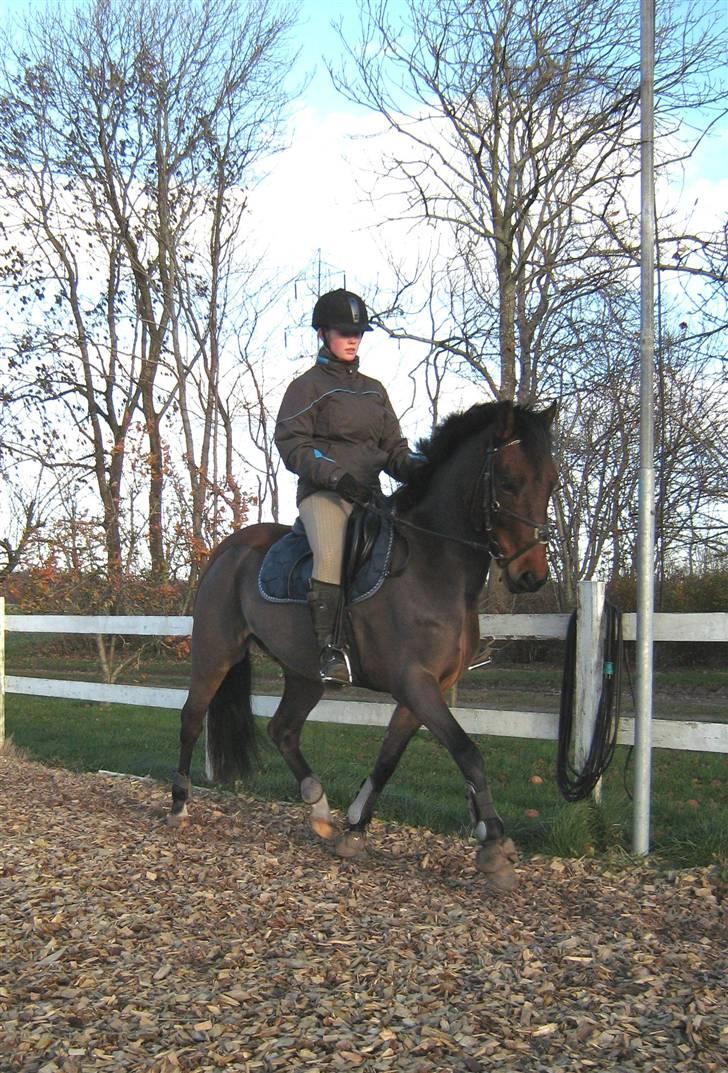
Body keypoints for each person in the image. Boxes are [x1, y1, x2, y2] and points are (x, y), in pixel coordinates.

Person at [274, 288, 424, 684]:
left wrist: (418, 468)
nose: (353, 339)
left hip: (371, 497)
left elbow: (394, 448)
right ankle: (329, 651)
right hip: (325, 495)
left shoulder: (375, 390)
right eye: (344, 332)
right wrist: (335, 476)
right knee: (330, 550)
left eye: (358, 332)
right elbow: (293, 443)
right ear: (323, 333)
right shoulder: (306, 387)